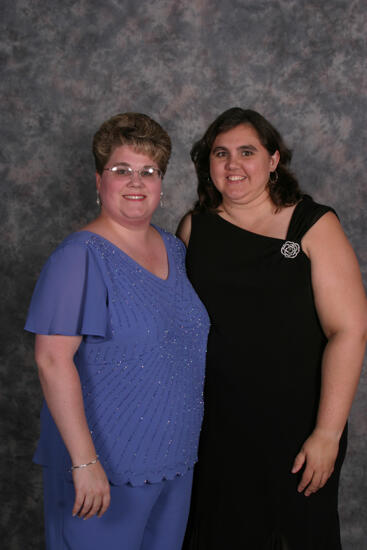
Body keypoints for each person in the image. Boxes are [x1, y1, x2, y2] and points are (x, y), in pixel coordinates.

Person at [177, 107, 367, 550]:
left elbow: (350, 331)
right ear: (208, 163)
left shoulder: (313, 225)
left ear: (274, 160)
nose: (233, 164)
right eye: (220, 153)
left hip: (300, 428)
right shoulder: (194, 229)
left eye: (247, 151)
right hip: (218, 428)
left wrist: (327, 434)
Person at [25, 112, 210, 550]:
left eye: (149, 172)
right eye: (121, 170)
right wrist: (84, 462)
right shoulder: (79, 257)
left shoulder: (173, 249)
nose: (136, 182)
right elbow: (51, 360)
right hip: (102, 469)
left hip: (176, 461)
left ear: (161, 185)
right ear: (98, 180)